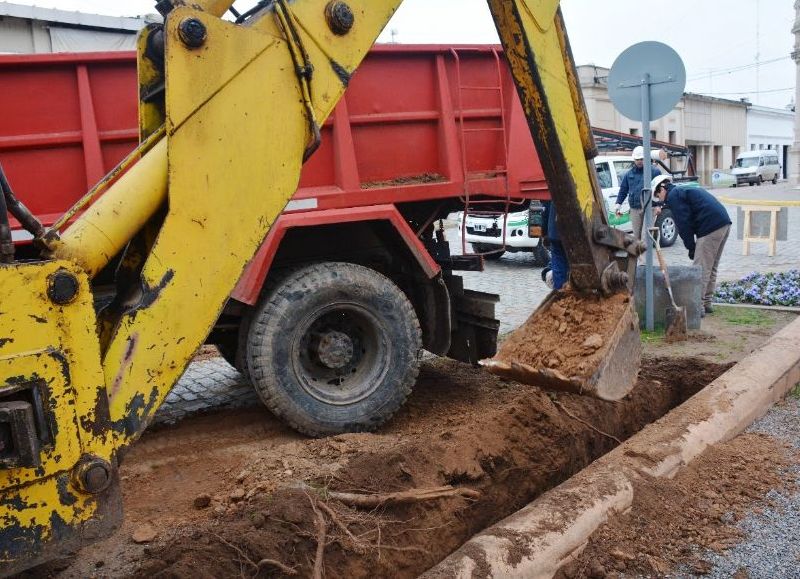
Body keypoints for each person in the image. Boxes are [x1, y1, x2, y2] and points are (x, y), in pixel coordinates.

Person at [651, 175, 732, 316]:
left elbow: (684, 225)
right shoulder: (680, 191)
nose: (659, 199)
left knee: (700, 269)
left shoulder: (674, 196)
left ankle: (697, 306)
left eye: (658, 195)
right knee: (711, 267)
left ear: (663, 189)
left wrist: (691, 247)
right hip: (723, 222)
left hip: (710, 226)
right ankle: (706, 302)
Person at [614, 146, 661, 241]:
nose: (639, 161)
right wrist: (618, 204)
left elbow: (660, 189)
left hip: (649, 208)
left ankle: (646, 256)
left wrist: (659, 205)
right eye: (637, 159)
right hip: (635, 208)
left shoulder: (654, 172)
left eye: (641, 159)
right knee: (636, 237)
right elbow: (623, 189)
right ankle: (640, 256)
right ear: (634, 159)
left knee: (646, 236)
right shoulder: (629, 174)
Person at [542, 200, 569, 290]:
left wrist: (545, 233)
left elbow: (545, 211)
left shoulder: (554, 190)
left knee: (558, 263)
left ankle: (560, 291)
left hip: (555, 232)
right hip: (574, 235)